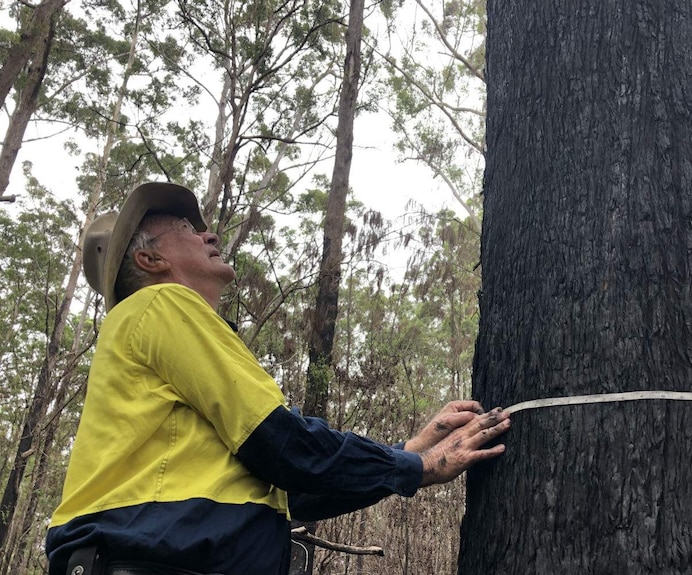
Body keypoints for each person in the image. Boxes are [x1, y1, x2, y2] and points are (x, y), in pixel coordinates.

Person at [45, 182, 511, 575]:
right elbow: (282, 444)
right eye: (187, 229)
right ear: (150, 261)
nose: (210, 235)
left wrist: (411, 451)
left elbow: (288, 491)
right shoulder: (161, 304)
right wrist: (418, 469)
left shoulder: (157, 351)